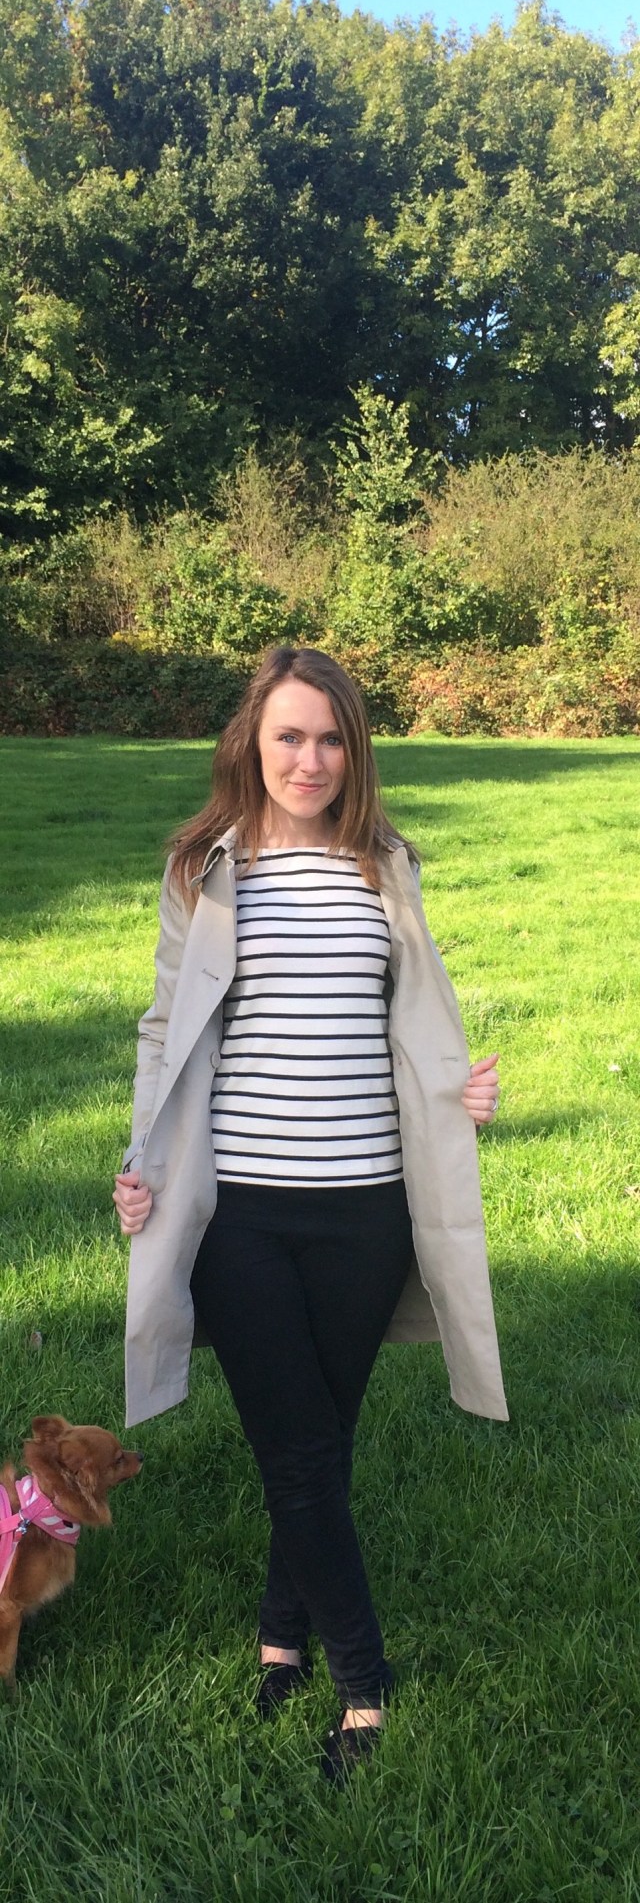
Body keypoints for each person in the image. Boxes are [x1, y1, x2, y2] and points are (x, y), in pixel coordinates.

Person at [113, 645, 507, 1784]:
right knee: (295, 1449)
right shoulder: (205, 867)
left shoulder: (386, 863)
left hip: (369, 1210)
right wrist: (140, 1159)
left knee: (321, 1443)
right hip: (239, 1212)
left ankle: (279, 1639)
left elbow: (411, 1017)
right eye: (289, 735)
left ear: (354, 750)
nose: (310, 759)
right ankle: (364, 1689)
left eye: (331, 738)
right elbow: (163, 1027)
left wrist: (460, 1092)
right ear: (252, 739)